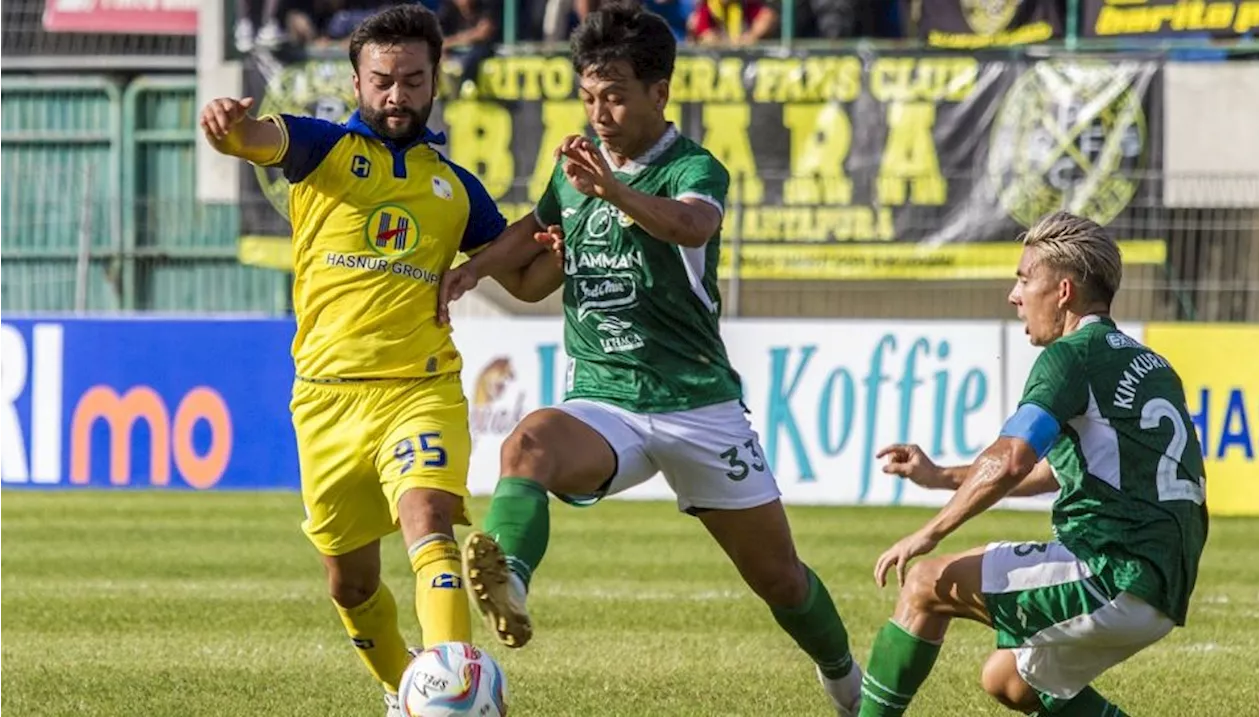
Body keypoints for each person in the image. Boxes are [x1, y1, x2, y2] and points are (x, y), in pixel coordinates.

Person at [435, 2, 862, 714]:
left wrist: (616, 191)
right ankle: (508, 574)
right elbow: (534, 228)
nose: (600, 114)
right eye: (589, 97)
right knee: (528, 442)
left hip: (697, 403)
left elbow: (691, 223)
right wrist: (474, 271)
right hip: (605, 400)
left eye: (616, 96)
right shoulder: (576, 169)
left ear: (659, 93)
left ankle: (847, 681)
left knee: (781, 579)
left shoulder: (692, 167)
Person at [198, 5, 561, 715]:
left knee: (429, 518)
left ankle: (453, 692)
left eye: (413, 81)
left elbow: (522, 281)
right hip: (326, 399)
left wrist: (563, 250)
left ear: (435, 82)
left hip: (417, 389)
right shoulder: (320, 148)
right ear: (359, 81)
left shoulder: (454, 188)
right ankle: (405, 694)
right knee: (350, 585)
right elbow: (256, 138)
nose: (397, 96)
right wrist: (226, 123)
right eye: (383, 81)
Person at [861, 211, 1209, 717]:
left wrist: (928, 533)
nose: (1014, 295)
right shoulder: (1148, 363)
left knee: (924, 584)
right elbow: (1058, 469)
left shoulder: (1071, 357)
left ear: (1063, 292)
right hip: (1163, 583)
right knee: (1010, 680)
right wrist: (939, 477)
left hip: (1112, 571)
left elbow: (1010, 459)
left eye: (1025, 278)